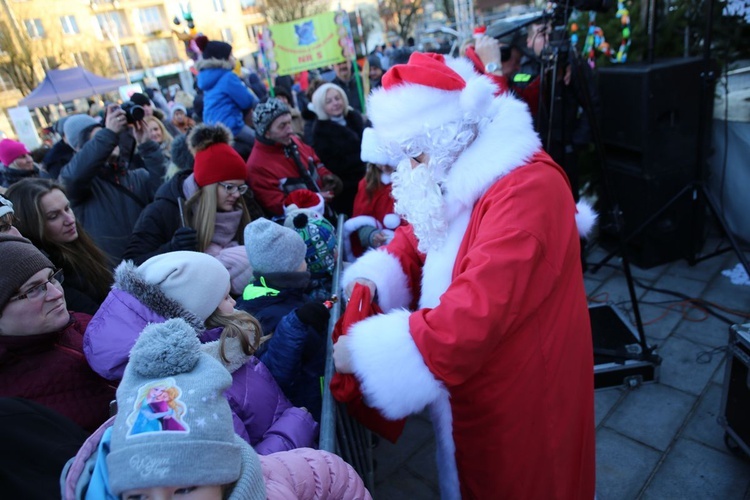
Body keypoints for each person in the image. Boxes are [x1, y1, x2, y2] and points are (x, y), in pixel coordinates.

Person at [332, 52, 596, 499]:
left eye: (413, 154)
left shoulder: (526, 190)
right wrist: (378, 275)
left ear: (444, 137)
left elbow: (472, 315)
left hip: (522, 391)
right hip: (486, 384)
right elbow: (424, 233)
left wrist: (364, 354)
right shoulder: (462, 169)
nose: (408, 170)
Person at [62, 318, 371, 500]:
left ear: (225, 479)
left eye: (184, 490)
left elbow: (334, 475)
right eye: (138, 497)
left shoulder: (274, 479)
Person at [84, 251, 319, 453]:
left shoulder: (225, 347)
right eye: (226, 297)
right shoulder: (200, 386)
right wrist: (296, 425)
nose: (235, 303)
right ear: (201, 311)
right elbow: (246, 469)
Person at [0, 234, 116, 432]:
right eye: (35, 289)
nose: (57, 293)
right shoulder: (11, 405)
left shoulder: (82, 321)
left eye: (52, 278)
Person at [124, 123, 254, 294]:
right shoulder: (164, 209)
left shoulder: (240, 204)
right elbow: (131, 267)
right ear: (209, 186)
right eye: (229, 187)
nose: (237, 194)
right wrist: (172, 248)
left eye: (240, 187)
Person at [237, 218, 330, 421]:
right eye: (302, 258)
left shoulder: (272, 294)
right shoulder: (270, 314)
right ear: (290, 266)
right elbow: (276, 373)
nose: (306, 263)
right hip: (307, 406)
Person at [59, 105, 165, 266]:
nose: (112, 140)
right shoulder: (79, 188)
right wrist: (108, 133)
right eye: (101, 138)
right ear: (84, 150)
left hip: (156, 264)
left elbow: (163, 196)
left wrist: (147, 146)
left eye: (112, 135)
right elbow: (72, 178)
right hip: (117, 278)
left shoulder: (138, 176)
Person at [5, 178, 113, 315]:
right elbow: (98, 316)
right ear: (31, 225)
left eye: (67, 208)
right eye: (53, 216)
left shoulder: (78, 247)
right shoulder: (51, 277)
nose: (69, 219)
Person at [245, 98, 342, 218]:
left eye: (289, 122)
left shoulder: (293, 141)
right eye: (282, 126)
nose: (290, 130)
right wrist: (316, 200)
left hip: (325, 216)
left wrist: (327, 177)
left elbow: (314, 160)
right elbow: (278, 206)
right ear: (267, 133)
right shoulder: (256, 166)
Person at [343, 128, 404, 261]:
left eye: (389, 162)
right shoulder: (368, 184)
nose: (384, 167)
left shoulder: (412, 181)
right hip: (380, 252)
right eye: (380, 162)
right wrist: (371, 235)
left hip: (408, 245)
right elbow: (361, 219)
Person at [309, 83, 368, 217]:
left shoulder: (354, 117)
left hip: (369, 179)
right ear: (321, 106)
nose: (335, 103)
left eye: (337, 98)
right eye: (329, 101)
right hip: (349, 189)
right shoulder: (320, 132)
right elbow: (333, 165)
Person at [195, 37, 258, 158]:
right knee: (261, 143)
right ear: (223, 58)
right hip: (231, 126)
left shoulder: (207, 78)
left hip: (213, 128)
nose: (233, 58)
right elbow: (246, 101)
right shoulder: (227, 76)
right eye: (231, 55)